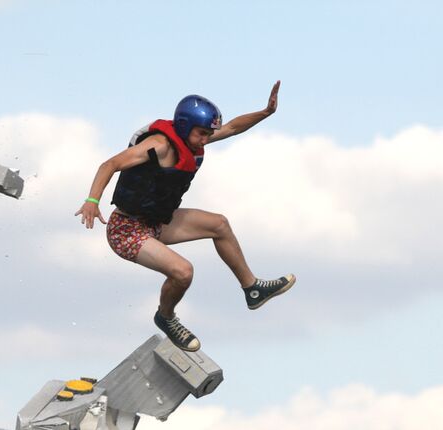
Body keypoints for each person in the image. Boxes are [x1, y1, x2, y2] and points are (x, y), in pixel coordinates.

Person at [75, 81, 295, 352]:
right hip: (127, 230)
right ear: (183, 126)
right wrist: (92, 200)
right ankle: (165, 317)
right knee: (183, 272)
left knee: (219, 224)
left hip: (157, 223)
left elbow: (234, 127)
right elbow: (110, 164)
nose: (206, 140)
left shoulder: (194, 138)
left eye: (208, 134)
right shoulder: (159, 145)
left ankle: (252, 289)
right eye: (202, 134)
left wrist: (265, 112)